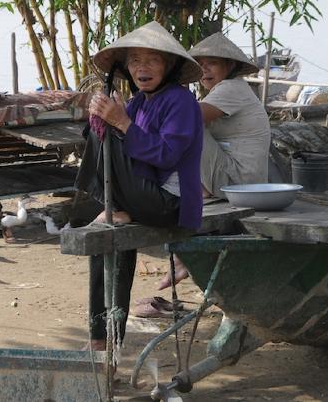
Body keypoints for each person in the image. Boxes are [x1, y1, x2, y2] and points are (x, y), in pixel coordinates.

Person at [74, 20, 204, 351]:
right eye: (134, 60)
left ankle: (118, 207)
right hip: (142, 196)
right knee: (104, 247)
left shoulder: (181, 102)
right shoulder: (139, 102)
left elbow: (166, 154)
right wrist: (105, 119)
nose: (140, 68)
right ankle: (102, 342)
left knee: (111, 129)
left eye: (151, 60)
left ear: (169, 65)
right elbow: (119, 139)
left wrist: (120, 122)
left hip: (169, 203)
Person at [155, 32, 271, 292]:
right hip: (236, 178)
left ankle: (200, 190)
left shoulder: (232, 88)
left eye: (213, 63)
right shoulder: (225, 90)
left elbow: (185, 119)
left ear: (229, 67)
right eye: (201, 64)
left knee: (185, 124)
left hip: (239, 183)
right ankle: (199, 191)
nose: (205, 69)